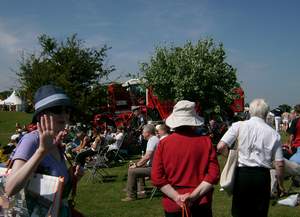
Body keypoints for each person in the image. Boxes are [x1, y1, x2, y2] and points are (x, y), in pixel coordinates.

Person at [5, 85, 81, 217]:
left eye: (67, 110)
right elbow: (10, 188)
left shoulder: (56, 141)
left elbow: (53, 191)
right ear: (41, 115)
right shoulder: (31, 140)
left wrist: (73, 178)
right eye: (57, 109)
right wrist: (41, 151)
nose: (65, 115)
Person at [217, 98, 284, 217]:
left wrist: (231, 157)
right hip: (262, 176)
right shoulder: (274, 134)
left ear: (251, 112)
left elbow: (221, 146)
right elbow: (279, 164)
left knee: (239, 212)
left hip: (242, 174)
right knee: (259, 212)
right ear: (265, 113)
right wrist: (280, 184)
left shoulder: (238, 125)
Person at [151, 100, 220, 217]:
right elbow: (213, 175)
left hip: (174, 203)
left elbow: (157, 177)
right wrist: (193, 197)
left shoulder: (164, 144)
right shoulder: (206, 142)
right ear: (193, 121)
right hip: (200, 202)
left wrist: (177, 197)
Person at [122, 124, 159, 201]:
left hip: (156, 168)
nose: (142, 134)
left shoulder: (152, 140)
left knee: (132, 171)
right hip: (155, 166)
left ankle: (131, 195)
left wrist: (137, 164)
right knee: (135, 165)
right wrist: (138, 164)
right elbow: (148, 157)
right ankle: (140, 189)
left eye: (143, 132)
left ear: (148, 133)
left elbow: (147, 156)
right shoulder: (153, 139)